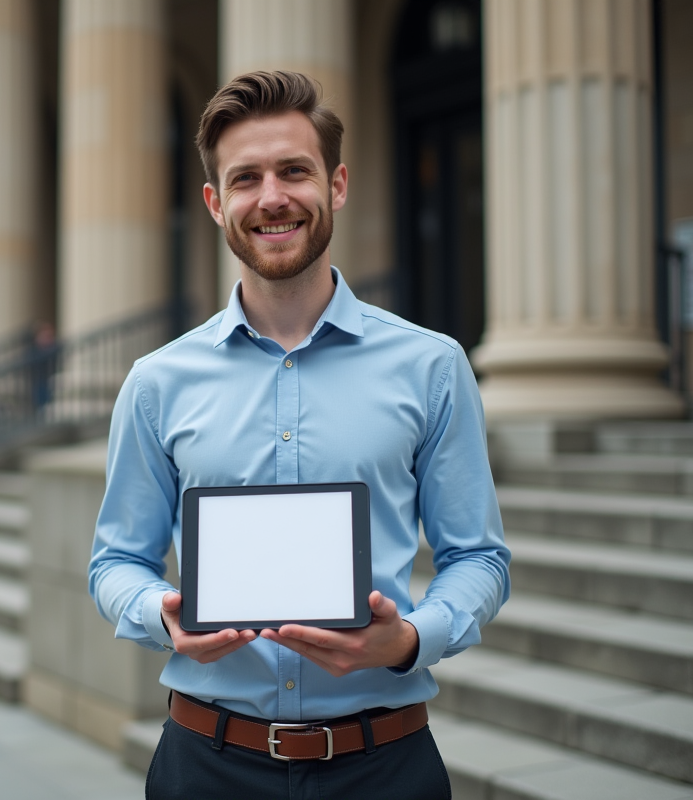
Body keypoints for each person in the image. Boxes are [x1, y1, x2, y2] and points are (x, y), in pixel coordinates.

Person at [89, 71, 510, 799]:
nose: (272, 197)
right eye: (245, 178)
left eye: (294, 171)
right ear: (216, 202)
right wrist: (159, 610)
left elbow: (478, 556)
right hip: (205, 764)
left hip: (386, 764)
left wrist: (411, 638)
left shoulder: (431, 366)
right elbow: (115, 561)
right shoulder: (158, 383)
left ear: (337, 185)